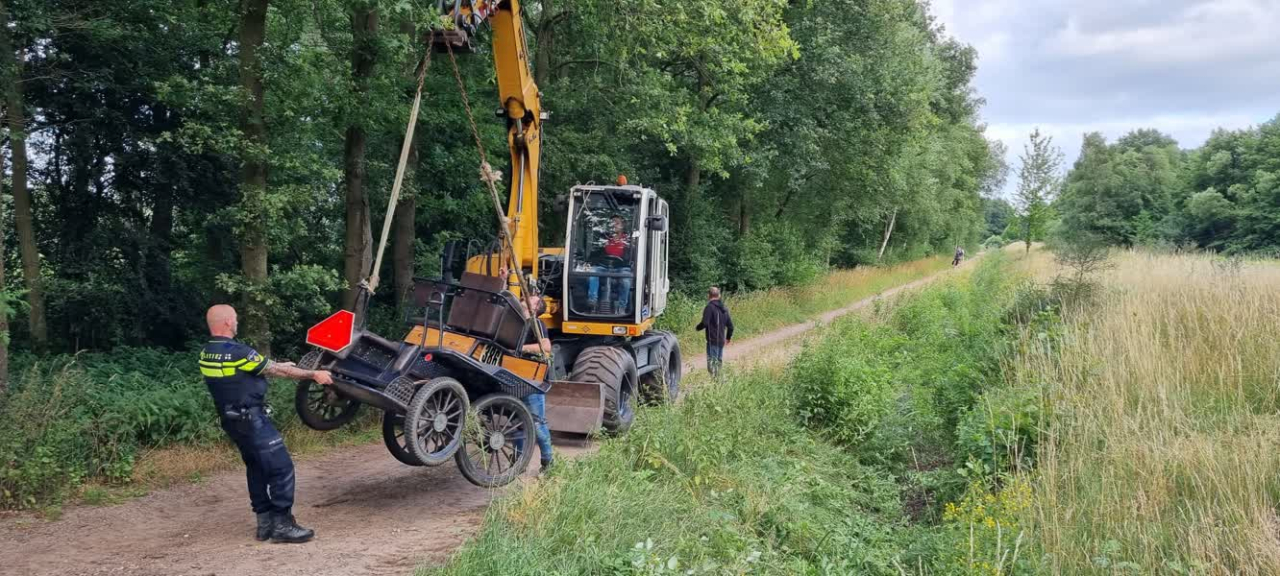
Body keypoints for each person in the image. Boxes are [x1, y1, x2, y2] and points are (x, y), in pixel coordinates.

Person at [201, 304, 334, 544]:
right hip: (252, 420)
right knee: (281, 468)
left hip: (230, 420)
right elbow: (273, 371)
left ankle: (264, 525)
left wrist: (282, 366)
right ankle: (282, 525)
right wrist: (314, 374)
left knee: (256, 467)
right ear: (229, 323)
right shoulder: (237, 351)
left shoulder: (207, 352)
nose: (237, 322)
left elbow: (261, 366)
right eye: (236, 319)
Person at [516, 293, 555, 474]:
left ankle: (548, 462)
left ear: (536, 308)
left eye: (532, 298)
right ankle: (518, 462)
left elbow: (546, 347)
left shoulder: (536, 324)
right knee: (517, 421)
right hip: (515, 376)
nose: (527, 297)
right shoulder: (516, 323)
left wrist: (521, 349)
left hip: (533, 380)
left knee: (537, 423)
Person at [586, 215, 633, 313]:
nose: (614, 225)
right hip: (603, 267)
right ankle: (592, 302)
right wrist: (591, 261)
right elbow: (595, 253)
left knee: (625, 280)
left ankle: (621, 307)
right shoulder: (604, 238)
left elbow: (631, 256)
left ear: (623, 225)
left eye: (617, 223)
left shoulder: (629, 240)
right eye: (612, 223)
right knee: (592, 273)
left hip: (621, 267)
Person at [695, 287, 734, 378]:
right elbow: (731, 326)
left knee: (712, 364)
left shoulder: (709, 307)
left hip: (712, 340)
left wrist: (697, 328)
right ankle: (718, 383)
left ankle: (716, 383)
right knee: (718, 362)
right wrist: (728, 338)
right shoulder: (724, 308)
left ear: (709, 296)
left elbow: (705, 323)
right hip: (721, 340)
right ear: (719, 295)